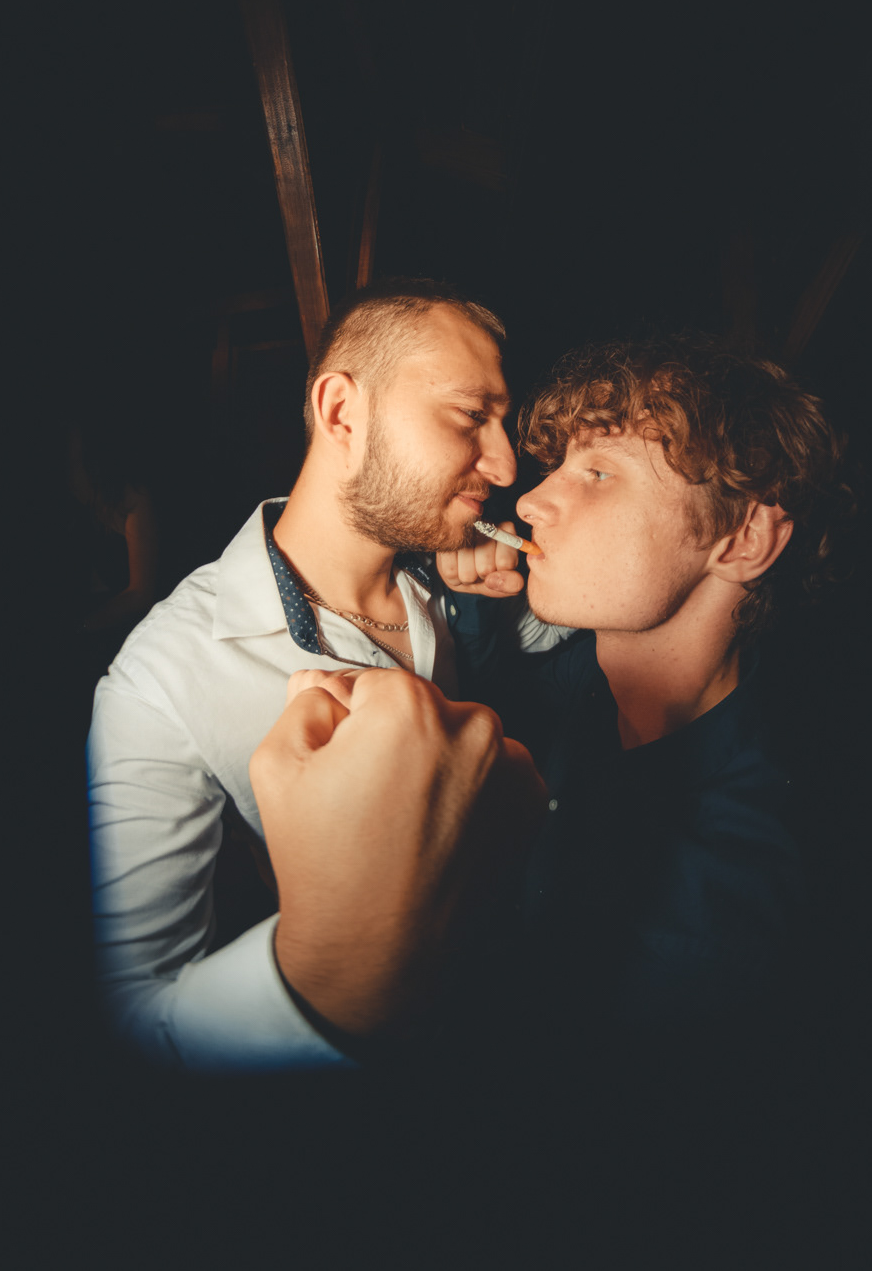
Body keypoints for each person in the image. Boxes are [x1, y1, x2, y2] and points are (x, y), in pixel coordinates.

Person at [255, 333, 851, 1065]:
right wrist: (475, 603)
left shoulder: (715, 906)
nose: (532, 502)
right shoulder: (574, 682)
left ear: (746, 537)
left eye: (598, 473)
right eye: (557, 467)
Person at [87, 279, 564, 1072]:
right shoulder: (161, 681)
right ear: (341, 411)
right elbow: (129, 1013)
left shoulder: (446, 577)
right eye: (469, 415)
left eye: (503, 422)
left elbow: (559, 639)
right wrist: (325, 982)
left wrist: (533, 578)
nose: (506, 462)